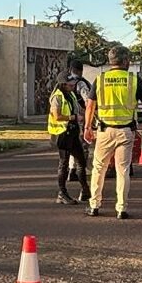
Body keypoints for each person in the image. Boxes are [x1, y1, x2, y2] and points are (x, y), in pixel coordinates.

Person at [82, 46, 142, 220]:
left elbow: (90, 105)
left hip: (104, 130)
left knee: (99, 168)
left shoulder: (101, 79)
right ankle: (121, 208)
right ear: (125, 61)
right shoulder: (133, 79)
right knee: (123, 170)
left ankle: (94, 205)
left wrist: (87, 127)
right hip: (126, 131)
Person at [49, 73, 90, 205]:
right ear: (63, 84)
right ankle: (62, 193)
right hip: (61, 134)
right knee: (64, 164)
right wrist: (74, 117)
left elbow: (78, 110)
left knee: (81, 161)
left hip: (72, 132)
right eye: (70, 84)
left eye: (73, 84)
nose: (73, 86)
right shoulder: (57, 97)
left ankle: (85, 191)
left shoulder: (71, 95)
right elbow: (57, 116)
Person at [66, 59, 93, 184]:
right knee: (83, 146)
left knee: (71, 146)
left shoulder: (63, 82)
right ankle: (79, 170)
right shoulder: (81, 83)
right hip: (80, 118)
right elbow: (88, 101)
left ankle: (71, 170)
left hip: (65, 119)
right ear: (80, 71)